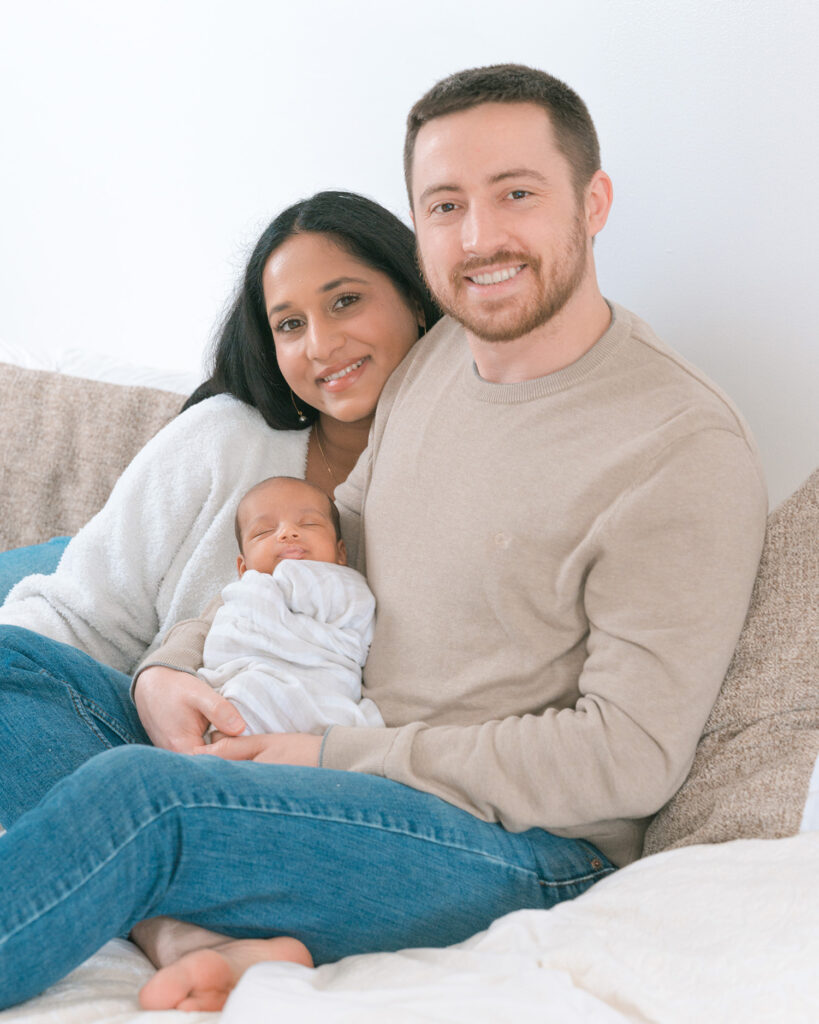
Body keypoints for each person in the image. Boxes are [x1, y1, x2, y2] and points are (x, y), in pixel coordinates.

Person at [0, 64, 767, 1013]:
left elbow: (626, 756)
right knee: (11, 665)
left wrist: (327, 757)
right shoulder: (440, 356)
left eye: (515, 194)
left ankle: (155, 894)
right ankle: (188, 928)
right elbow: (327, 543)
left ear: (593, 201)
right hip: (310, 747)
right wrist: (172, 670)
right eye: (445, 205)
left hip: (511, 845)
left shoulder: (678, 446)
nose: (479, 237)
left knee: (141, 801)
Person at [196, 475, 381, 737]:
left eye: (309, 523)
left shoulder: (345, 586)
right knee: (243, 693)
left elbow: (359, 628)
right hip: (239, 690)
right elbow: (223, 645)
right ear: (243, 568)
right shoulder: (241, 594)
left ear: (341, 554)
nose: (288, 532)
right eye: (263, 531)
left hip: (320, 700)